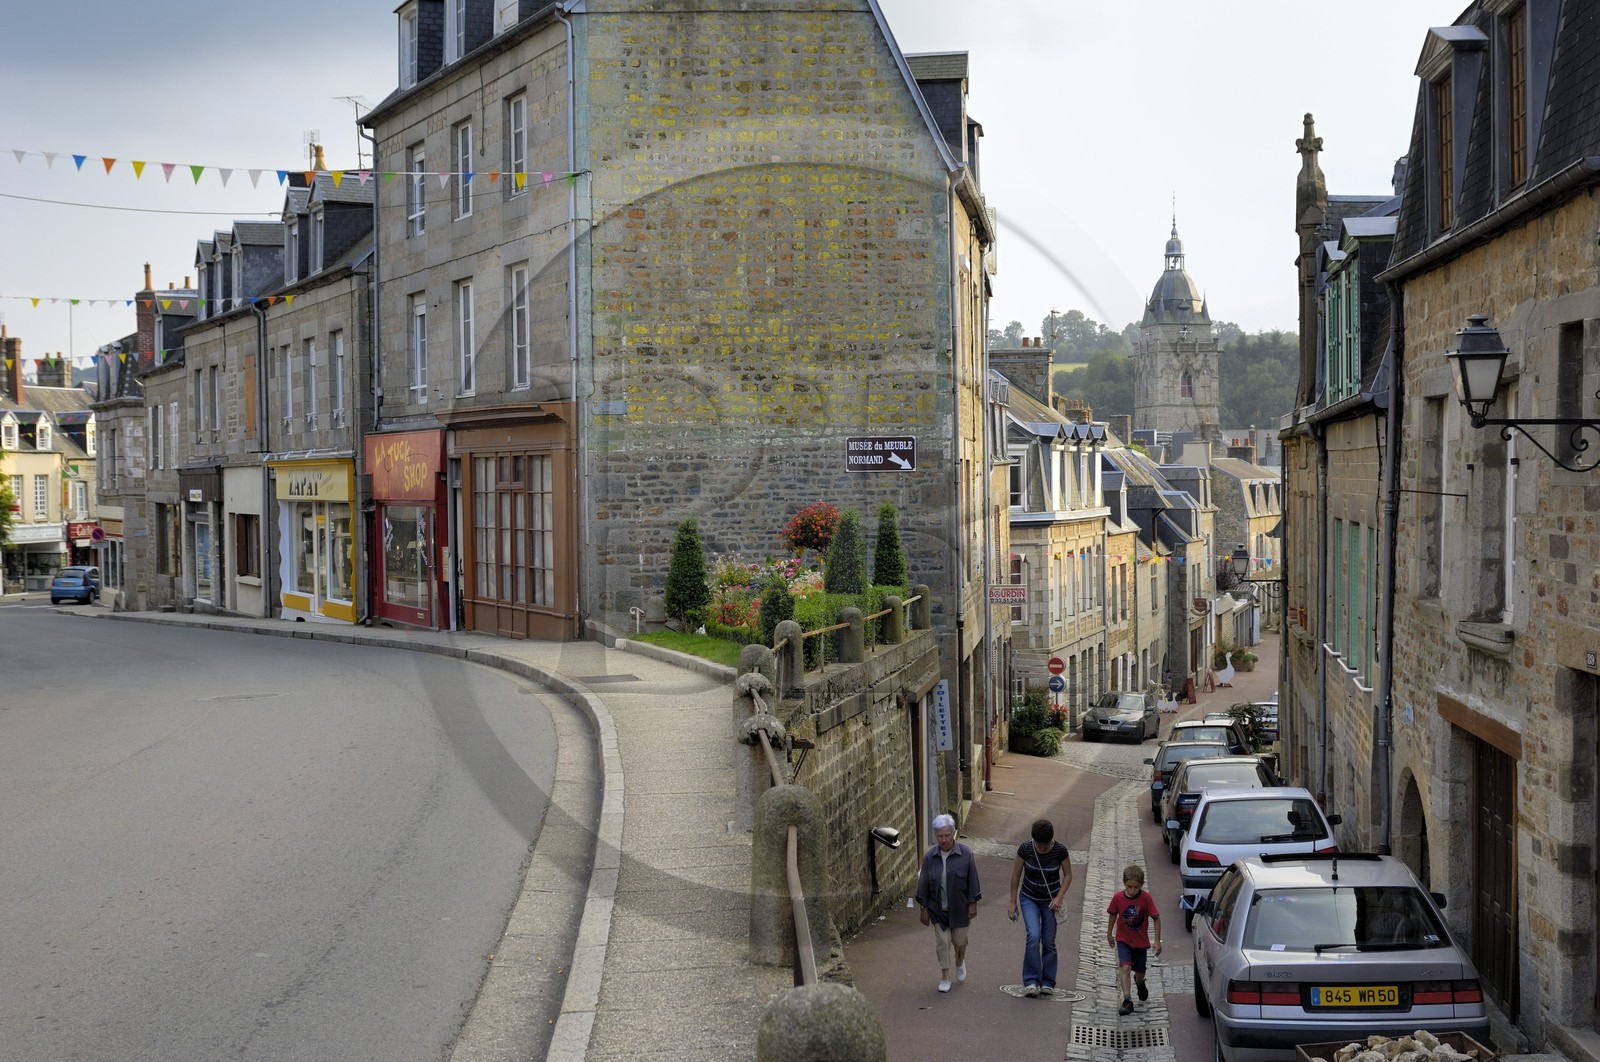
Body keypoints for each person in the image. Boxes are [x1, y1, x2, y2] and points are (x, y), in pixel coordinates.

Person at [914, 813, 981, 993]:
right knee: (942, 942)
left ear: (953, 834)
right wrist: (924, 908)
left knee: (960, 942)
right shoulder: (930, 857)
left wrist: (973, 903)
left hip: (960, 908)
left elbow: (973, 880)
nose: (943, 840)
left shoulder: (965, 854)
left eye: (947, 835)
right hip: (938, 910)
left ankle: (960, 961)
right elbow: (923, 884)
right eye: (939, 836)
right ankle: (945, 976)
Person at [1007, 818, 1072, 997]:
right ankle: (1031, 981)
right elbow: (1015, 875)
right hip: (1029, 898)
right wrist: (1012, 902)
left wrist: (1059, 897)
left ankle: (1048, 981)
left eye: (1045, 844)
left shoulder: (1060, 851)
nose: (1042, 847)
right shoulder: (1026, 849)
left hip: (1051, 901)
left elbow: (1068, 875)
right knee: (1033, 936)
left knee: (1049, 941)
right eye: (1039, 844)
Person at [1106, 863, 1161, 1016]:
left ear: (1141, 885)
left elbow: (1156, 918)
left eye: (1136, 887)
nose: (1132, 890)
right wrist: (1109, 933)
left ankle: (1140, 983)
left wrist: (1156, 941)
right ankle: (1127, 1000)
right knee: (1125, 967)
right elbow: (1112, 915)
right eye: (1129, 886)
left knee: (1139, 972)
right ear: (1124, 883)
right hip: (1123, 939)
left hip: (1140, 942)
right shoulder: (1118, 898)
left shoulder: (1146, 898)